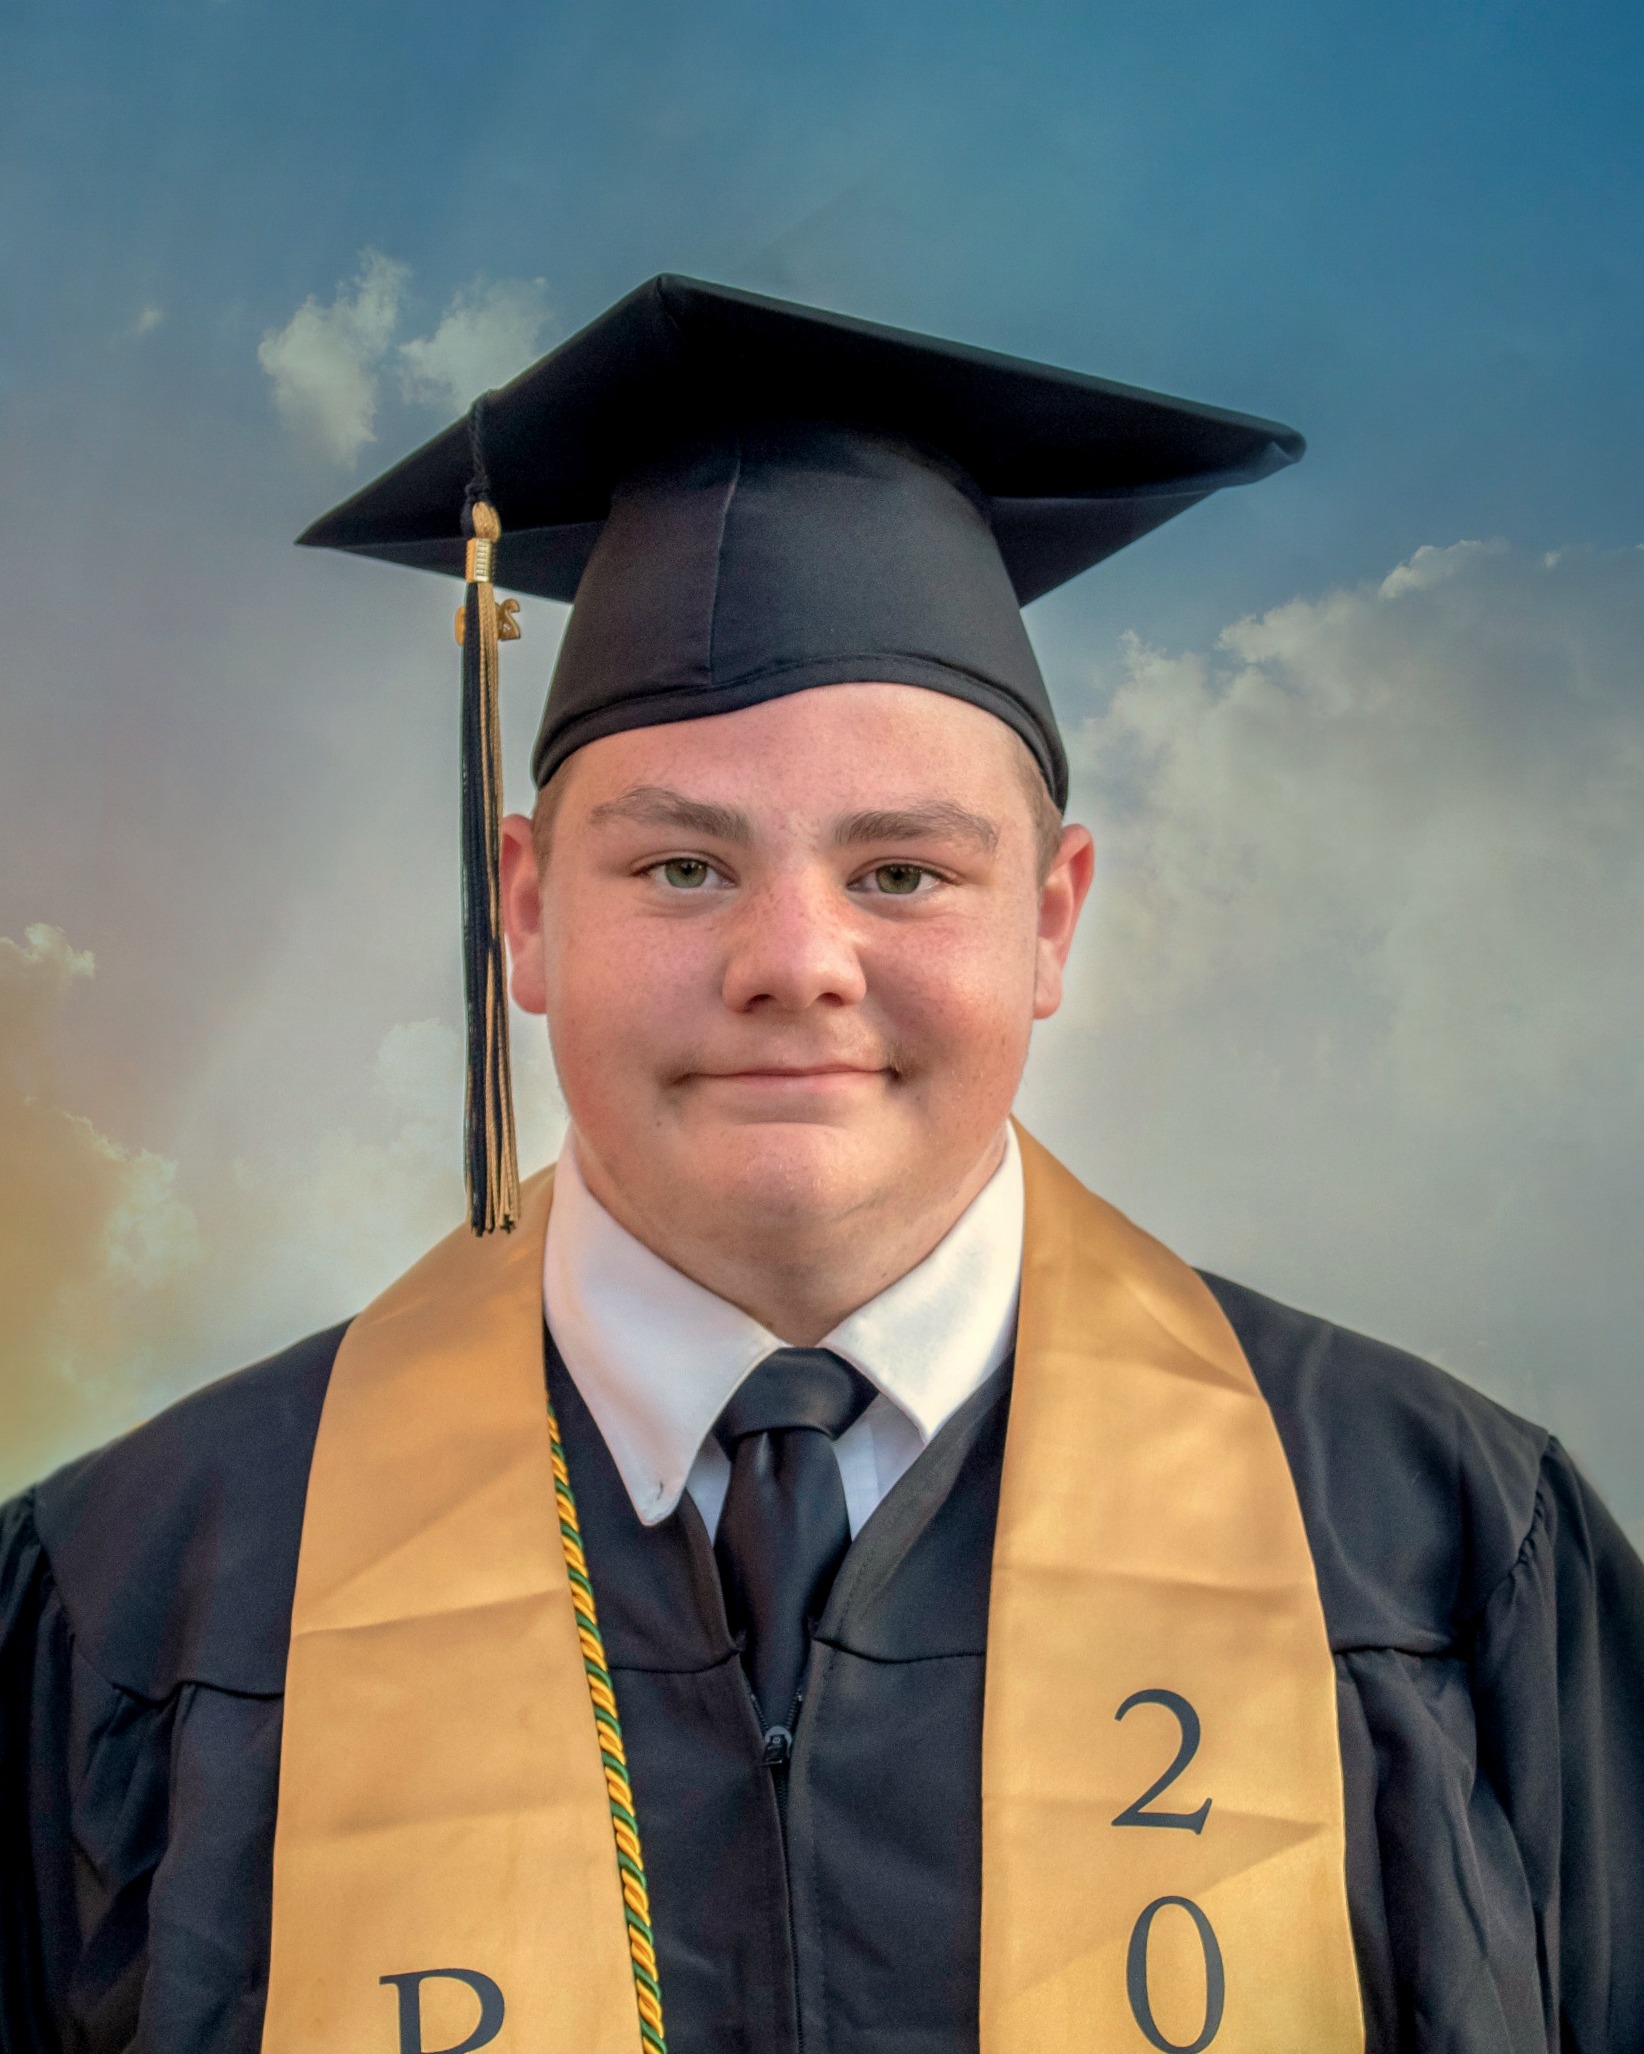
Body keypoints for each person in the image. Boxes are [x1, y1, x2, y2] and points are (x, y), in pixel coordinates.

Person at [2, 277, 1640, 2054]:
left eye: (902, 872)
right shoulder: (138, 1597)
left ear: (1052, 919)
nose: (795, 962)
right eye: (682, 868)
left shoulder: (1437, 1551)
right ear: (527, 910)